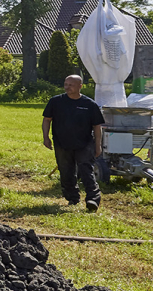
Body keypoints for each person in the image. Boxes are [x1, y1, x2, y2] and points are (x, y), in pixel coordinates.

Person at [42, 73, 106, 211]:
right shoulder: (56, 101)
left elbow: (97, 126)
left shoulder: (89, 104)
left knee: (86, 171)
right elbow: (47, 119)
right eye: (66, 84)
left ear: (80, 86)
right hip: (62, 143)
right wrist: (46, 137)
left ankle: (92, 199)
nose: (67, 87)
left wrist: (98, 145)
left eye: (71, 85)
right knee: (66, 172)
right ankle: (72, 198)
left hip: (84, 144)